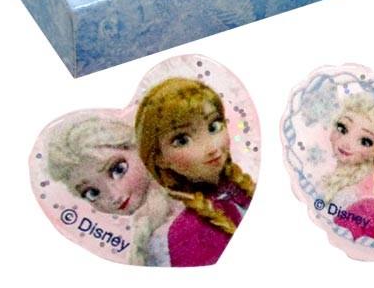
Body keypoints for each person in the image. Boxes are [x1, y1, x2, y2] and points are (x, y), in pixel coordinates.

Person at [135, 78, 256, 266]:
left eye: (214, 126)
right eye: (182, 140)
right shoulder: (182, 235)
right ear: (159, 158)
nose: (211, 148)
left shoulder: (247, 189)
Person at [47, 116, 177, 265]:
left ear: (138, 147)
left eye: (118, 170)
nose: (114, 196)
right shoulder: (146, 228)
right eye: (92, 192)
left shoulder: (180, 201)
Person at [321, 94, 374, 206]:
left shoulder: (353, 193)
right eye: (342, 128)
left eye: (365, 141)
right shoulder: (327, 174)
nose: (347, 143)